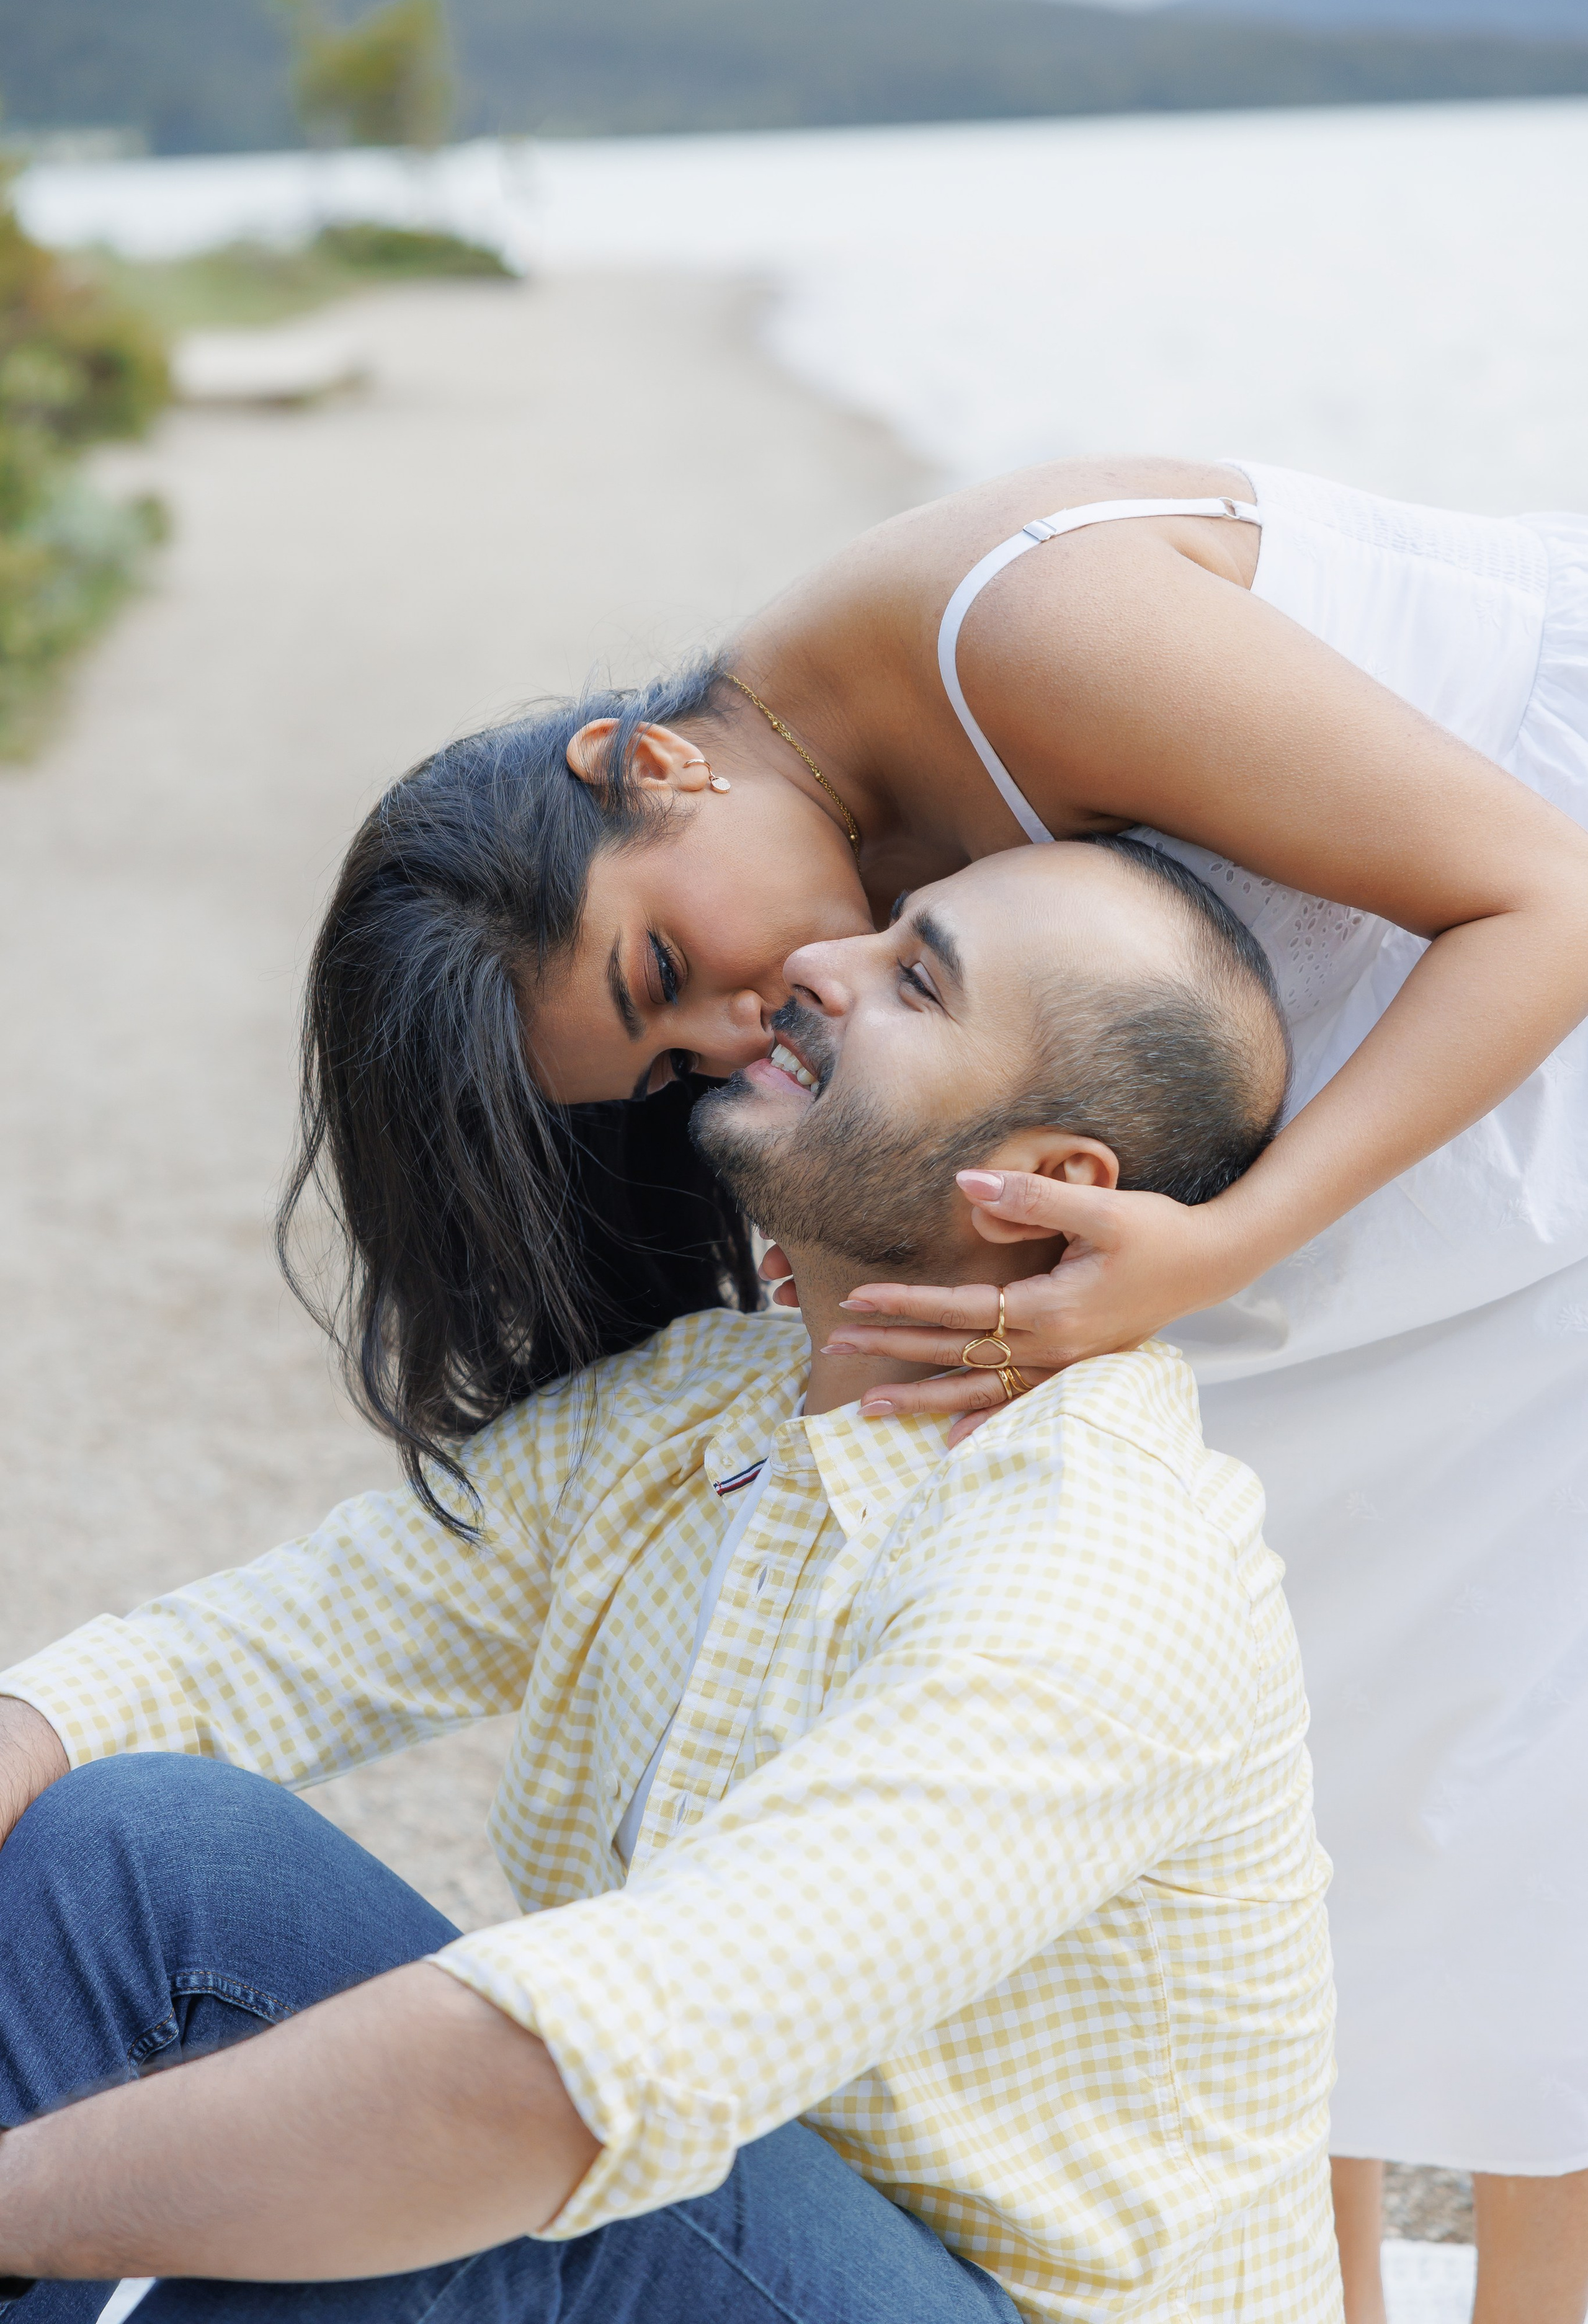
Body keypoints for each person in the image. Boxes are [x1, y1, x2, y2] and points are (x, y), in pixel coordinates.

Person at [278, 453, 1588, 2323]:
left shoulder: (1022, 637)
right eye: (668, 1066)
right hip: (1395, 1034)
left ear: (644, 768)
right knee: (1311, 1682)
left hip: (1529, 964)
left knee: (1527, 1722)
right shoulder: (822, 860)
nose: (738, 1030)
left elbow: (1548, 894)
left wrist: (1227, 1244)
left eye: (663, 965)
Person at [0, 843, 1340, 2323]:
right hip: (759, 2228)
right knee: (142, 1842)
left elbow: (571, 2078)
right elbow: (236, 1659)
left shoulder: (1091, 1574)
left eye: (913, 979)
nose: (819, 967)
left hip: (989, 2307)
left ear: (1034, 1187)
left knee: (448, 2161)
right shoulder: (706, 1408)